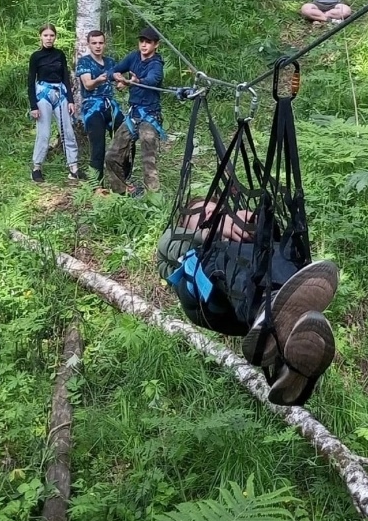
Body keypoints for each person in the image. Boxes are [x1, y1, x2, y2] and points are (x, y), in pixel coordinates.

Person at [157, 200, 338, 406]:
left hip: (240, 308)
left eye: (215, 211)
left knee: (273, 251)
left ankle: (292, 362)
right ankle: (267, 311)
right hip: (205, 299)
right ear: (185, 224)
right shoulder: (173, 238)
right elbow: (168, 244)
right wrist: (216, 229)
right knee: (216, 254)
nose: (211, 215)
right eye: (201, 214)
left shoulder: (233, 239)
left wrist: (256, 224)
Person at [106, 26, 165, 195]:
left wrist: (135, 81)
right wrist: (115, 76)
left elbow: (153, 79)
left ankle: (153, 197)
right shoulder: (133, 57)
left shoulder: (156, 64)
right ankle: (122, 191)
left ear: (156, 45)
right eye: (142, 41)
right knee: (112, 156)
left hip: (150, 116)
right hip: (133, 116)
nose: (144, 45)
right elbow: (113, 70)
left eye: (148, 42)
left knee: (148, 159)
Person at [27, 24, 82, 183]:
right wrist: (33, 106)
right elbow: (31, 82)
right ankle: (37, 168)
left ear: (55, 37)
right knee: (43, 133)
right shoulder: (36, 57)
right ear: (40, 37)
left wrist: (71, 100)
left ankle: (73, 167)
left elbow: (65, 77)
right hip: (43, 95)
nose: (49, 38)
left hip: (61, 94)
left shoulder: (60, 54)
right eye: (46, 35)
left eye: (51, 35)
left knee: (68, 131)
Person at [76, 29, 123, 185]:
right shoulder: (84, 62)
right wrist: (100, 79)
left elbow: (118, 82)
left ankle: (122, 180)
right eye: (94, 43)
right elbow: (88, 84)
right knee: (98, 147)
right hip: (92, 107)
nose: (98, 46)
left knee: (126, 138)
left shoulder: (110, 62)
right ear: (88, 44)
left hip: (110, 106)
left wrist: (123, 83)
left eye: (100, 43)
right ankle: (97, 185)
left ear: (105, 44)